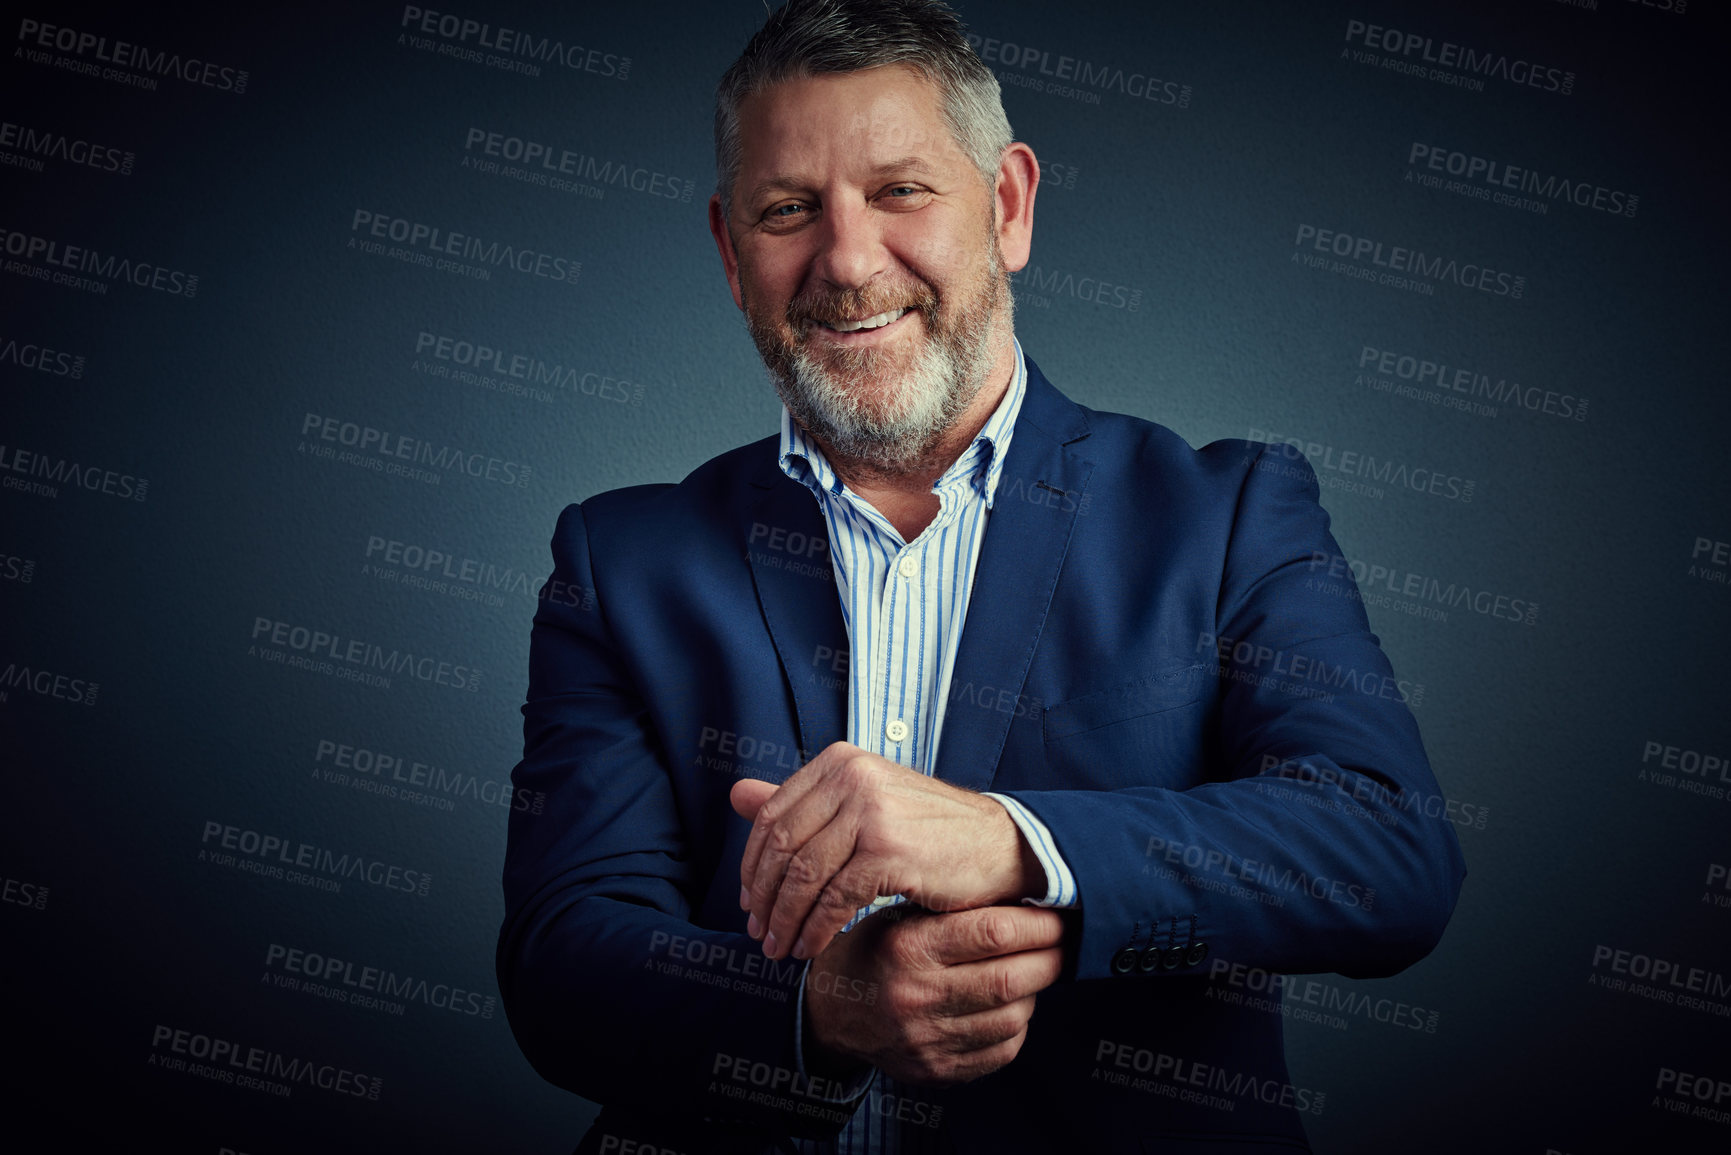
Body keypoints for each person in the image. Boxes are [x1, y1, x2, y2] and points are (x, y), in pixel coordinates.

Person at [497, 2, 1466, 1152]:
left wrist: (1014, 841)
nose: (849, 261)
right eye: (788, 210)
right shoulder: (621, 560)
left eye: (902, 190)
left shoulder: (1226, 514)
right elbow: (562, 965)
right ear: (730, 251)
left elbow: (1390, 855)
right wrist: (822, 1014)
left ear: (1007, 206)